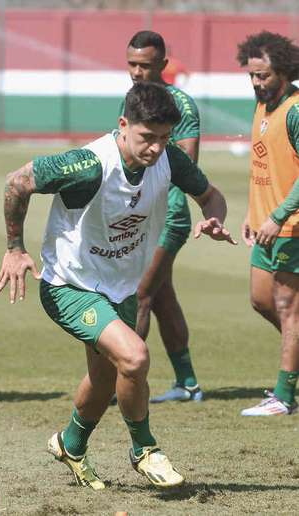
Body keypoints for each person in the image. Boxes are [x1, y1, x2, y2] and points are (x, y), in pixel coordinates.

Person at [0, 82, 235, 489]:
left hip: (120, 288)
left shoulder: (169, 160)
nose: (156, 147)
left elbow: (211, 196)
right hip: (70, 286)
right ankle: (144, 449)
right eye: (146, 137)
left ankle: (70, 444)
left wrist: (213, 218)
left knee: (106, 380)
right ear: (123, 124)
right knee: (136, 358)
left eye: (163, 138)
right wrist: (15, 248)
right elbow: (17, 182)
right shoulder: (88, 164)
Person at [122, 30, 204, 403]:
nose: (137, 72)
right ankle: (187, 383)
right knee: (162, 298)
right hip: (138, 213)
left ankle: (124, 381)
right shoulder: (131, 101)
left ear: (163, 66)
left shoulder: (181, 106)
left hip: (168, 216)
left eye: (145, 65)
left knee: (139, 294)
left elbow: (186, 165)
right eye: (132, 64)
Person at [237, 31, 299, 416]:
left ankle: (284, 396)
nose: (258, 83)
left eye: (264, 76)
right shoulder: (262, 107)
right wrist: (252, 212)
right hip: (265, 224)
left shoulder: (295, 110)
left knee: (287, 306)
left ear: (285, 70)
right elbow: (265, 166)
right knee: (261, 300)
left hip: (291, 226)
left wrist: (278, 215)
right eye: (253, 76)